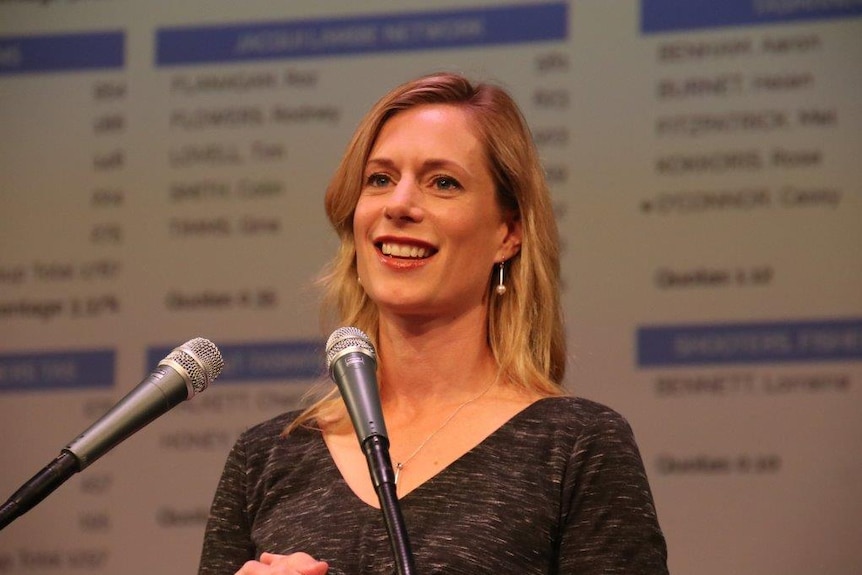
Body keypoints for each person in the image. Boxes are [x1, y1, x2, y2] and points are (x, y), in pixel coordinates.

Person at [198, 72, 668, 575]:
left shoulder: (575, 447)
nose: (398, 205)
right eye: (379, 179)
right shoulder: (267, 457)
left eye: (443, 183)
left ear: (507, 233)